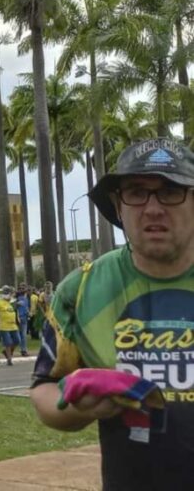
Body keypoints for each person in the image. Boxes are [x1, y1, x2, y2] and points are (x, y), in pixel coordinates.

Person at [30, 138, 194, 490]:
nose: (152, 208)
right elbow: (44, 388)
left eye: (171, 191)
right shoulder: (80, 291)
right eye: (136, 192)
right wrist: (82, 408)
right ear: (119, 207)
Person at [0, 286, 19, 366]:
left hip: (13, 325)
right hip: (4, 326)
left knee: (17, 340)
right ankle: (9, 359)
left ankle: (7, 352)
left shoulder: (13, 302)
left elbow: (15, 312)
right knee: (8, 342)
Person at [14, 285, 30, 356]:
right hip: (20, 318)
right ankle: (23, 350)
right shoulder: (21, 299)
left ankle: (22, 349)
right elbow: (23, 309)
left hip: (21, 318)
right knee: (22, 335)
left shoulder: (22, 299)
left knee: (21, 335)